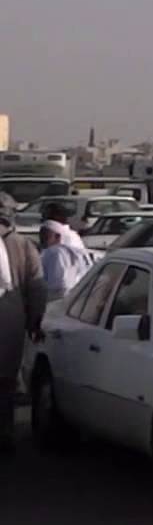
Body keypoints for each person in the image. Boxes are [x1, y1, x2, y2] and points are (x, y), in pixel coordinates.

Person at [0, 193, 49, 455]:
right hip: (9, 322)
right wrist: (34, 322)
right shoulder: (24, 246)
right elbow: (37, 288)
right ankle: (5, 432)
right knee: (5, 382)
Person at [37, 201, 97, 301]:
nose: (42, 240)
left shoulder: (57, 251)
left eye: (45, 236)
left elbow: (60, 284)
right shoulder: (72, 236)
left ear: (57, 237)